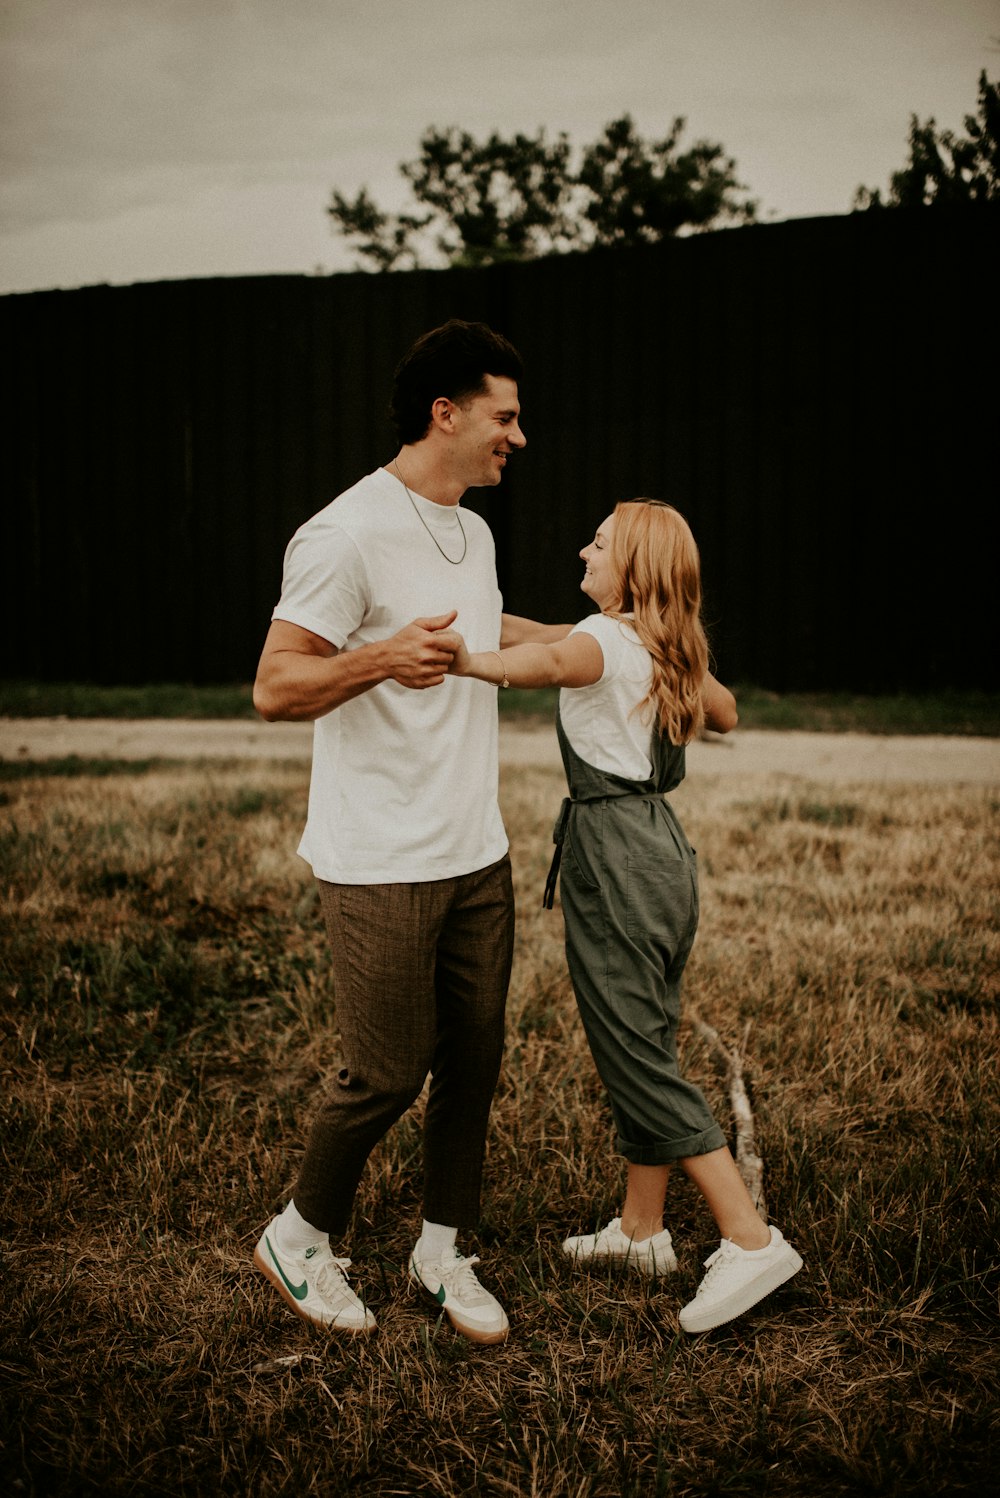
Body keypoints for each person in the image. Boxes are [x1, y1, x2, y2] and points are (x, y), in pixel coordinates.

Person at [251, 319, 567, 1345]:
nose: (517, 436)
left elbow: (486, 627)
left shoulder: (471, 530)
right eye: (505, 415)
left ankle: (441, 1243)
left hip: (474, 848)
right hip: (379, 856)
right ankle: (300, 1233)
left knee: (474, 1056)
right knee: (384, 1069)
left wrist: (599, 639)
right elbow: (275, 683)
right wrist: (378, 659)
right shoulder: (345, 532)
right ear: (448, 412)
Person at [447, 499, 803, 1334]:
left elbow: (549, 663)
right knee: (651, 1027)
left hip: (613, 855)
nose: (584, 546)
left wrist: (470, 661)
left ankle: (748, 1239)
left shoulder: (604, 642)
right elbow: (725, 711)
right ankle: (643, 1229)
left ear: (632, 570)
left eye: (599, 543)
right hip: (665, 854)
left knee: (635, 1051)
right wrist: (485, 619)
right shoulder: (659, 641)